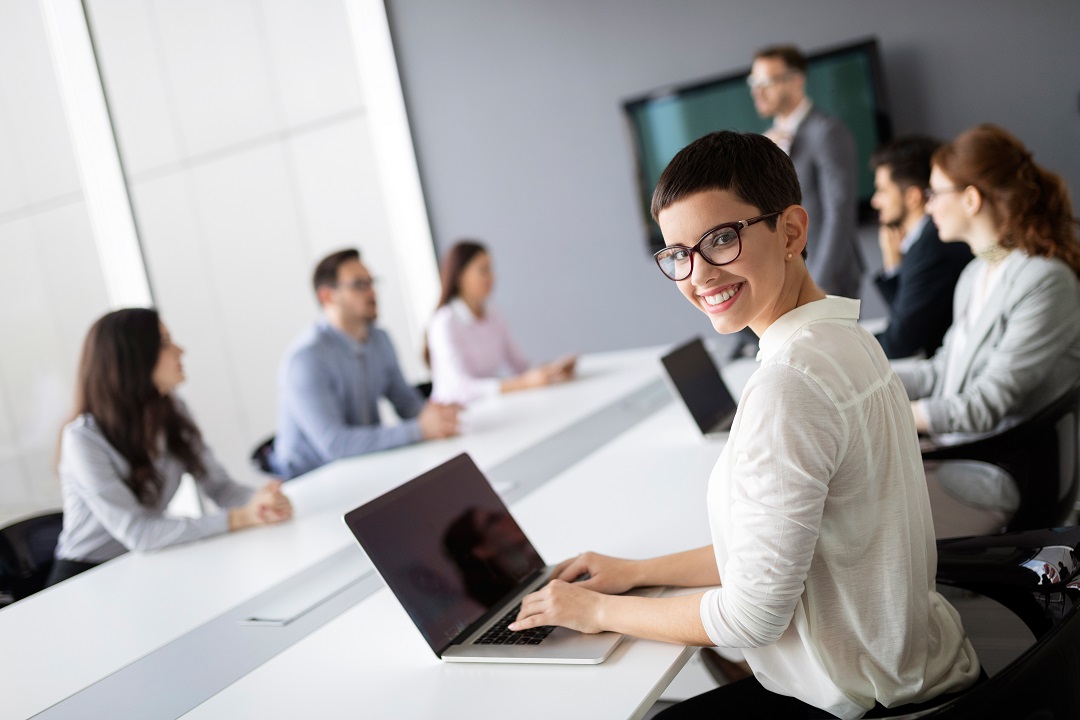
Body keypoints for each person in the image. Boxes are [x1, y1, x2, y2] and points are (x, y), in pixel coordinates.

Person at [511, 131, 980, 719]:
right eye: (678, 253)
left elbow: (751, 617)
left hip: (867, 703)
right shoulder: (843, 336)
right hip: (916, 670)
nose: (698, 275)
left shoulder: (789, 383)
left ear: (790, 232)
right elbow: (779, 551)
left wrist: (593, 612)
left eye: (721, 240)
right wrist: (635, 573)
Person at [47, 309, 292, 586]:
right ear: (131, 359)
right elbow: (139, 533)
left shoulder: (173, 411)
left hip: (145, 564)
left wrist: (262, 501)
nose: (181, 350)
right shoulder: (83, 439)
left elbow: (221, 488)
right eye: (164, 342)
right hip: (84, 578)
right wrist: (239, 518)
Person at [895, 124, 1080, 439]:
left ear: (970, 199)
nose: (928, 206)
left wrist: (884, 417)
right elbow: (943, 370)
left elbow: (984, 405)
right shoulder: (974, 274)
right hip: (964, 454)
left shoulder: (1045, 281)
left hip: (1007, 466)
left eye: (934, 193)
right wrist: (863, 377)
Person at [270, 248, 459, 479]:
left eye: (372, 282)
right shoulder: (306, 359)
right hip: (310, 480)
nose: (372, 292)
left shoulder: (379, 339)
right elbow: (336, 444)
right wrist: (419, 430)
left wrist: (438, 416)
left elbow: (406, 403)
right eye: (359, 285)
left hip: (361, 467)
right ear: (327, 296)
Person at [749, 44, 863, 299]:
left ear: (796, 80)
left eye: (766, 81)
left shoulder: (826, 132)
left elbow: (840, 212)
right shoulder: (768, 139)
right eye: (753, 81)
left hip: (824, 277)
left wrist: (818, 284)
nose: (757, 91)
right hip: (784, 277)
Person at [426, 240, 576, 405]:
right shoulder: (445, 323)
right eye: (483, 270)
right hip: (454, 418)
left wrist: (552, 371)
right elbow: (461, 388)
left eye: (491, 268)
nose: (492, 277)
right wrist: (522, 384)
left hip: (490, 408)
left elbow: (519, 365)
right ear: (460, 276)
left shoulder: (493, 313)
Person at [870, 136, 972, 359]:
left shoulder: (932, 246)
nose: (875, 201)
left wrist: (841, 351)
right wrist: (893, 265)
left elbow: (901, 341)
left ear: (913, 197)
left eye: (882, 191)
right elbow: (905, 320)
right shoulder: (924, 242)